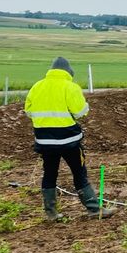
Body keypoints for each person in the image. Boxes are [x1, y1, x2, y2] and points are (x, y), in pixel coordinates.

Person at [24, 57, 114, 221]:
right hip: (69, 141)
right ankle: (93, 209)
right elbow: (80, 112)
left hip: (45, 142)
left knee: (49, 174)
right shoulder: (70, 87)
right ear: (68, 72)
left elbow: (29, 111)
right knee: (79, 173)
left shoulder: (37, 86)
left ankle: (51, 213)